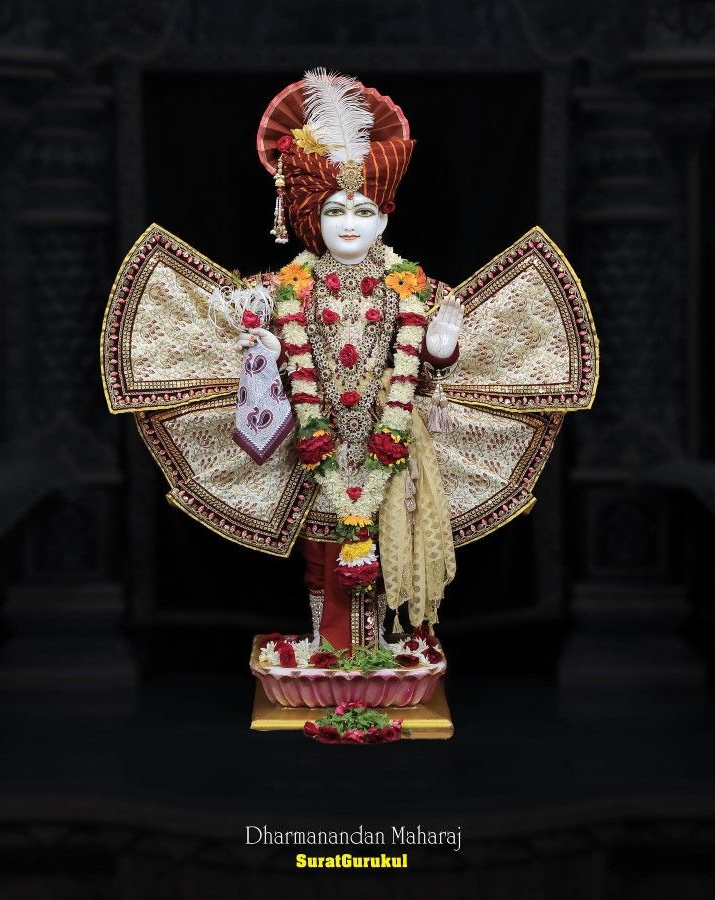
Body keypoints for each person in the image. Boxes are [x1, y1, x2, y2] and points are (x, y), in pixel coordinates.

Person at [101, 69, 598, 657]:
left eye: (363, 211)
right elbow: (251, 335)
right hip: (315, 445)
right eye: (335, 210)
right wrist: (255, 340)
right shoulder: (286, 287)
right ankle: (327, 646)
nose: (349, 223)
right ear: (311, 216)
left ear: (385, 217)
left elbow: (428, 371)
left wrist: (439, 348)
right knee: (320, 553)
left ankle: (378, 650)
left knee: (385, 544)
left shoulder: (411, 287)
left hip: (392, 442)